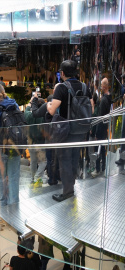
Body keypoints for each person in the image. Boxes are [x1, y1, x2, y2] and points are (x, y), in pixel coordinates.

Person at [47, 60, 93, 202]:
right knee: (74, 158)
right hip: (81, 129)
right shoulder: (85, 87)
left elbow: (52, 110)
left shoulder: (61, 87)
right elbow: (91, 108)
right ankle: (71, 186)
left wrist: (48, 104)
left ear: (62, 73)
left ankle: (68, 192)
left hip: (66, 132)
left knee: (65, 160)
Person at [91, 78, 112, 178]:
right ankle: (103, 167)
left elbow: (100, 116)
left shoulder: (103, 100)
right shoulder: (108, 97)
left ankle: (98, 169)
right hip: (105, 125)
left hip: (101, 126)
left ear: (104, 86)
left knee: (98, 147)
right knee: (102, 147)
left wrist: (96, 133)